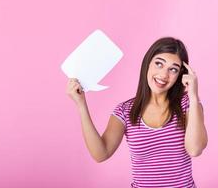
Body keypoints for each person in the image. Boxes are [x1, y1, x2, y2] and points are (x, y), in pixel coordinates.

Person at [66, 37, 208, 188]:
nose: (164, 75)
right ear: (147, 63)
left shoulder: (188, 104)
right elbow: (101, 154)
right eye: (159, 64)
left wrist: (193, 96)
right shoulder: (125, 111)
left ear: (181, 74)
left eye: (173, 69)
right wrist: (81, 105)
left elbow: (195, 149)